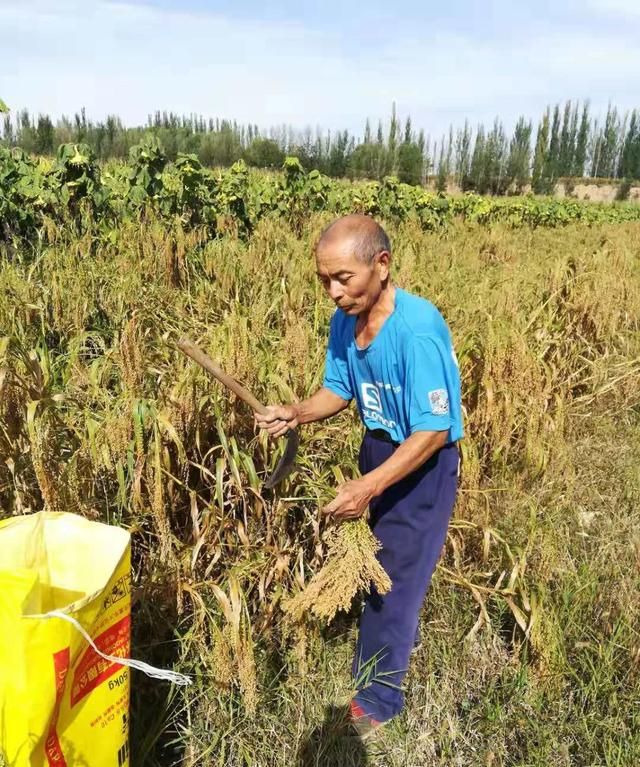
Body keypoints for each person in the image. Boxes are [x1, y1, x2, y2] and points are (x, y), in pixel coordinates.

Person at [255, 213, 463, 735]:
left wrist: (370, 486)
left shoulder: (416, 331)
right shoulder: (345, 322)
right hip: (378, 448)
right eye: (324, 279)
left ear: (382, 265)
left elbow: (434, 430)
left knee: (394, 581)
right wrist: (295, 413)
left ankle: (378, 700)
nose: (333, 291)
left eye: (343, 278)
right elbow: (340, 390)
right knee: (380, 564)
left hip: (422, 463)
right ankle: (379, 655)